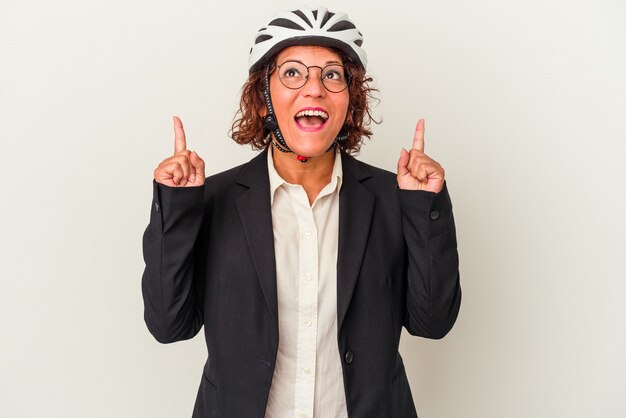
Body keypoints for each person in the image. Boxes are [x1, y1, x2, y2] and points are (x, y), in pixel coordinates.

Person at [142, 6, 461, 418]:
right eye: (293, 73)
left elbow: (432, 322)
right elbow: (169, 325)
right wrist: (178, 208)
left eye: (332, 74)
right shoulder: (213, 199)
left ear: (351, 101)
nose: (314, 89)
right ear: (262, 100)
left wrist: (423, 208)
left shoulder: (393, 197)